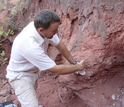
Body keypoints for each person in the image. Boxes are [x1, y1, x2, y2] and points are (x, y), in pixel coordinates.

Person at [6, 9, 85, 107]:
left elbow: (59, 45)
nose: (57, 32)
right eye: (54, 30)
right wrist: (78, 67)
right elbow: (56, 70)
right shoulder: (30, 45)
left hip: (32, 72)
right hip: (20, 76)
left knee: (30, 97)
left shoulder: (41, 27)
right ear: (41, 30)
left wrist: (73, 62)